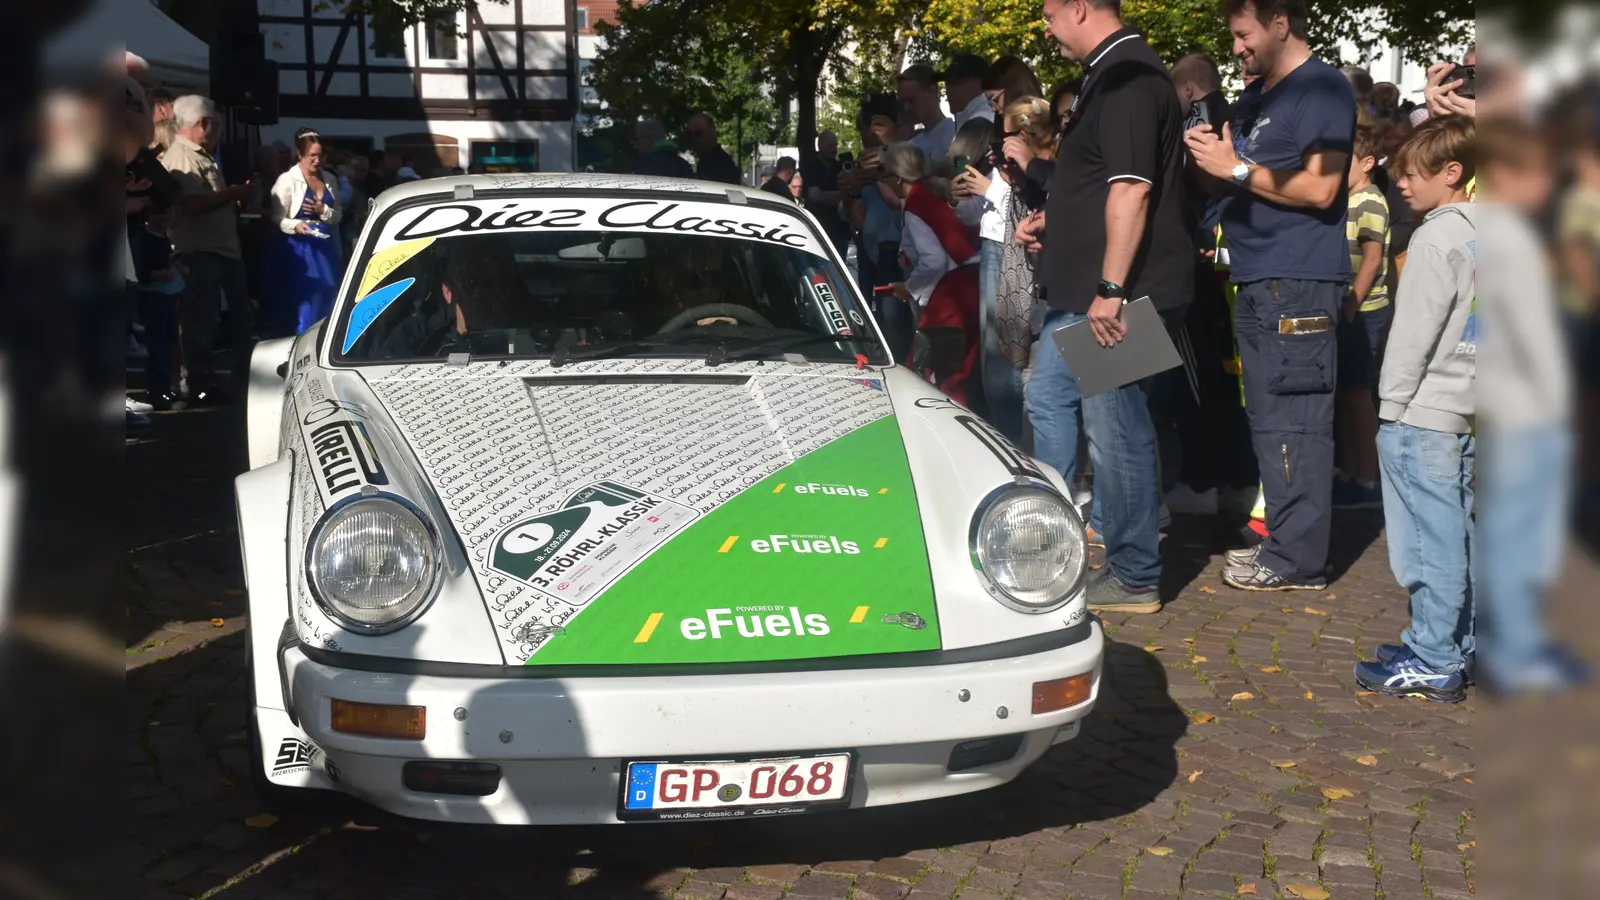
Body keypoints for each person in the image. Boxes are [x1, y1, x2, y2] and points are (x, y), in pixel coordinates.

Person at [1018, 0, 1194, 613]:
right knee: (1049, 397)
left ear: (1080, 8)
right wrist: (1057, 222)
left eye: (1048, 12)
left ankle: (1136, 573)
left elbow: (1132, 189)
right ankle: (1068, 541)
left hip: (1123, 294)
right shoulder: (1112, 74)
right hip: (1094, 291)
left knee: (1117, 428)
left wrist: (1113, 290)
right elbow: (1102, 184)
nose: (1044, 24)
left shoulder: (1129, 79)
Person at [1184, 0, 1357, 592]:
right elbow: (1234, 173)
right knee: (1269, 419)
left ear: (1280, 24)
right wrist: (1207, 158)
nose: (1235, 48)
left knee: (1297, 422)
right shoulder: (1263, 97)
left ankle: (1298, 560)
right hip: (1258, 277)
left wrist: (1233, 170)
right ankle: (1283, 545)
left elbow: (1322, 187)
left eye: (1243, 34)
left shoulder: (1324, 89)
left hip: (1298, 280)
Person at [1353, 115, 1478, 702]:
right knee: (1458, 534)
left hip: (1422, 410)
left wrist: (1391, 406)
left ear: (1451, 173)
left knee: (1429, 541)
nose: (1401, 183)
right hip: (1464, 405)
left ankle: (1432, 655)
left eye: (1412, 173)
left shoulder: (1436, 237)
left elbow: (1414, 334)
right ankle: (1453, 642)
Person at [1478, 117, 1590, 691]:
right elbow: (1535, 336)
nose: (1547, 186)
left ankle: (1505, 642)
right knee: (1523, 537)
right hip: (1529, 409)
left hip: (1501, 403)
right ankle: (1514, 650)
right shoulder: (1513, 238)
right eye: (1538, 174)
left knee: (1507, 530)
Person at [956, 95, 1054, 445]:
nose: (1001, 143)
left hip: (1022, 254)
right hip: (996, 246)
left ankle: (1019, 451)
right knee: (997, 364)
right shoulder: (1007, 165)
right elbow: (979, 218)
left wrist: (994, 188)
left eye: (1008, 133)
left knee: (1019, 370)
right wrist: (968, 195)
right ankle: (1011, 448)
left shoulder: (1045, 164)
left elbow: (1035, 209)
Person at [160, 94, 256, 408]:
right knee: (199, 322)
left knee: (230, 319)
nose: (219, 132)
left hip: (220, 250)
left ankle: (222, 383)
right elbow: (189, 204)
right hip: (200, 251)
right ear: (205, 123)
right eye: (217, 124)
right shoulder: (183, 157)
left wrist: (231, 196)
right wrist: (232, 193)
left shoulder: (202, 155)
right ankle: (199, 386)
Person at [881, 143, 980, 400]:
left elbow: (934, 260)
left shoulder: (916, 203)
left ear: (898, 177)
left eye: (886, 175)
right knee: (968, 368)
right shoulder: (935, 191)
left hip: (953, 292)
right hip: (974, 282)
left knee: (933, 369)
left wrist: (909, 288)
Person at [1333, 124, 1392, 510]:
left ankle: (1368, 478)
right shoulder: (1349, 200)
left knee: (1358, 397)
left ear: (1367, 163)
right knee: (1349, 395)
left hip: (1364, 311)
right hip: (1350, 310)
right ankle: (1353, 472)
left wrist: (1352, 302)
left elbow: (1372, 258)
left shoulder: (1369, 200)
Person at [269, 128, 344, 336]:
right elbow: (277, 218)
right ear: (300, 154)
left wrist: (323, 211)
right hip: (299, 248)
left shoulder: (330, 179)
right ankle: (302, 339)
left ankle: (326, 339)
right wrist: (295, 226)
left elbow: (338, 215)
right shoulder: (287, 180)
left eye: (320, 156)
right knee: (308, 297)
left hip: (324, 246)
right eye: (312, 156)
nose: (317, 161)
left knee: (329, 291)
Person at [801, 131, 850, 254]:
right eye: (831, 146)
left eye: (835, 145)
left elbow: (848, 194)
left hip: (839, 230)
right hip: (819, 229)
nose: (834, 149)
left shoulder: (841, 167)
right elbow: (813, 196)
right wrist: (839, 194)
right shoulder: (810, 168)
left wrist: (824, 195)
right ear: (821, 146)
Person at [897, 64, 956, 162]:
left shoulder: (956, 134)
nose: (907, 108)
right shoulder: (912, 145)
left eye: (911, 100)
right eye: (903, 102)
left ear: (932, 91)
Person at [944, 52, 994, 131]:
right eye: (946, 84)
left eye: (954, 82)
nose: (948, 91)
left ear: (976, 83)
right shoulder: (971, 119)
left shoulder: (981, 121)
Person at [686, 113, 742, 185]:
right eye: (689, 135)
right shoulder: (707, 160)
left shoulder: (720, 163)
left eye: (698, 133)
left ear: (712, 133)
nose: (694, 138)